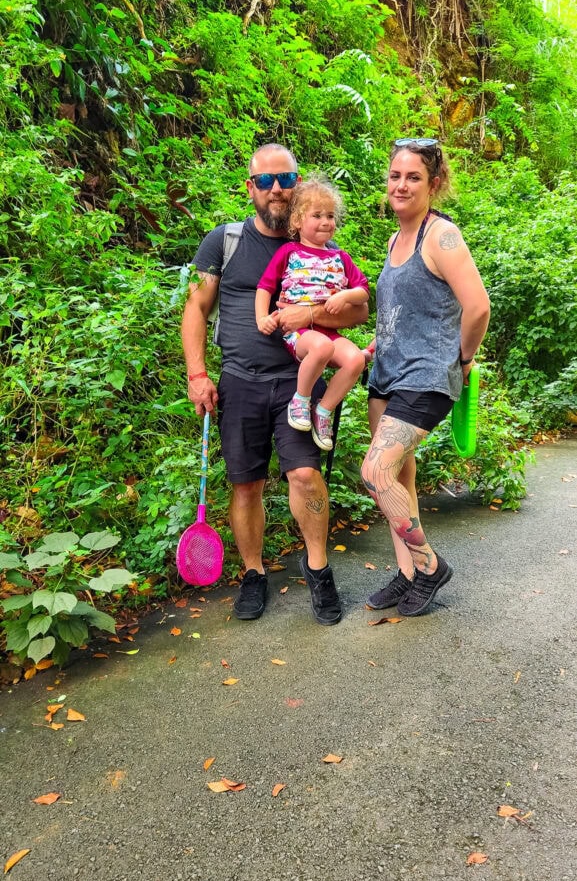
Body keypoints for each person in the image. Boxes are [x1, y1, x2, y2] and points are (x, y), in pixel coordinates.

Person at [181, 144, 368, 624]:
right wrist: (197, 375)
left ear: (299, 184)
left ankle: (320, 571)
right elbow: (196, 309)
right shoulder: (224, 242)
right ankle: (253, 573)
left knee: (305, 475)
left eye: (286, 178)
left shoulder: (321, 247)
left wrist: (307, 313)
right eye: (266, 181)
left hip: (296, 379)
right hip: (240, 381)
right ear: (251, 188)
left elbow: (360, 307)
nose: (277, 189)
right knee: (245, 485)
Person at [361, 137, 490, 617]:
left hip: (426, 376)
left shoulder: (442, 236)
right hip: (387, 374)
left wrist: (462, 358)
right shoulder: (396, 237)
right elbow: (404, 308)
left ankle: (430, 566)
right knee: (401, 475)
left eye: (413, 176)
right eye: (395, 175)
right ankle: (410, 573)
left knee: (376, 472)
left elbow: (478, 307)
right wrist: (379, 342)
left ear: (433, 185)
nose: (401, 184)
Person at [255, 176, 369, 452]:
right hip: (300, 333)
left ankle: (324, 410)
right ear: (297, 221)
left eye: (330, 216)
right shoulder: (289, 252)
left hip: (329, 331)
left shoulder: (340, 257)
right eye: (317, 215)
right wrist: (262, 318)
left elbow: (363, 291)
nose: (326, 222)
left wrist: (345, 295)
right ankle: (301, 399)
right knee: (321, 347)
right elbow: (265, 287)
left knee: (355, 360)